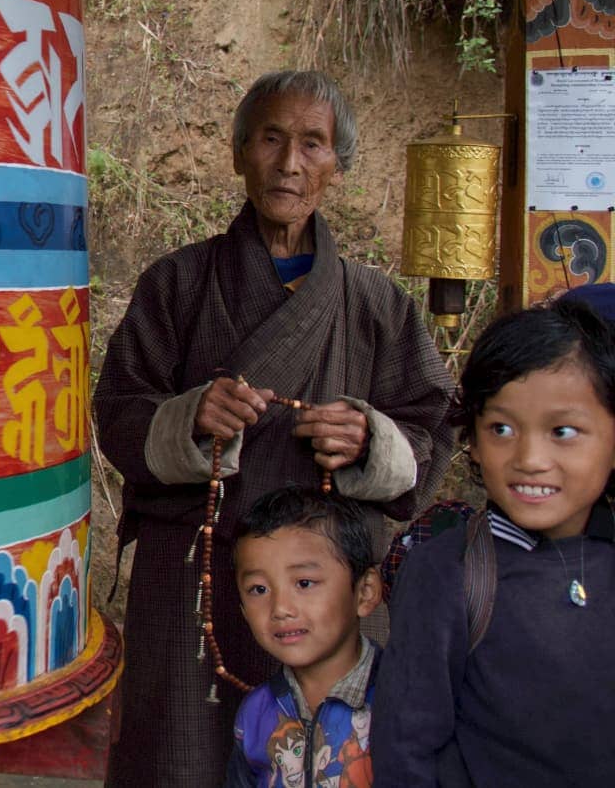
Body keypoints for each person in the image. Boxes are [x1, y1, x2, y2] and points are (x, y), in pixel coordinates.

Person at [93, 70, 454, 787]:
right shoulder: (179, 283)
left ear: (337, 165)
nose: (290, 162)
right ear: (238, 154)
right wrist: (188, 419)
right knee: (180, 760)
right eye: (270, 138)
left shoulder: (376, 304)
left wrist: (370, 442)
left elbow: (431, 429)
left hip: (328, 584)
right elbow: (119, 411)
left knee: (331, 759)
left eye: (312, 143)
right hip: (195, 579)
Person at [372, 300, 615, 784]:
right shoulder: (450, 574)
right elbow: (406, 749)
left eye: (562, 431)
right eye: (501, 429)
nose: (529, 458)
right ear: (475, 443)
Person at [225, 486, 381, 788]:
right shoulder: (256, 712)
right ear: (243, 609)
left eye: (305, 583)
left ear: (365, 592)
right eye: (259, 589)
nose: (281, 608)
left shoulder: (401, 699)